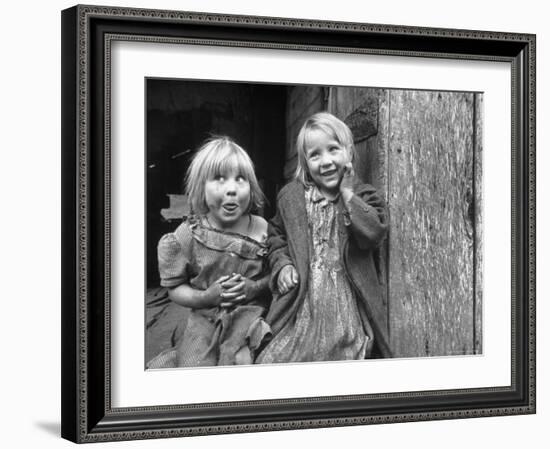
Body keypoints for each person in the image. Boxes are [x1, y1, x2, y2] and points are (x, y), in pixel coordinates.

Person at [256, 112, 392, 364]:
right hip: (302, 300)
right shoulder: (292, 197)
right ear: (305, 162)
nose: (326, 161)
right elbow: (275, 236)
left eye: (333, 149)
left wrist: (348, 195)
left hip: (344, 303)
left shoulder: (365, 196)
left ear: (349, 152)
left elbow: (372, 235)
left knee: (340, 355)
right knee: (277, 357)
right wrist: (282, 264)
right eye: (315, 154)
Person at [150, 136, 271, 368]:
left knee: (249, 360)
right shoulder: (189, 234)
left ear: (252, 187)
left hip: (251, 317)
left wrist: (254, 287)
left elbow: (273, 275)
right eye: (219, 179)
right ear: (200, 188)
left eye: (241, 179)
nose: (231, 189)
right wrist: (205, 297)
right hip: (204, 318)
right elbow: (174, 288)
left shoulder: (263, 229)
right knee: (195, 366)